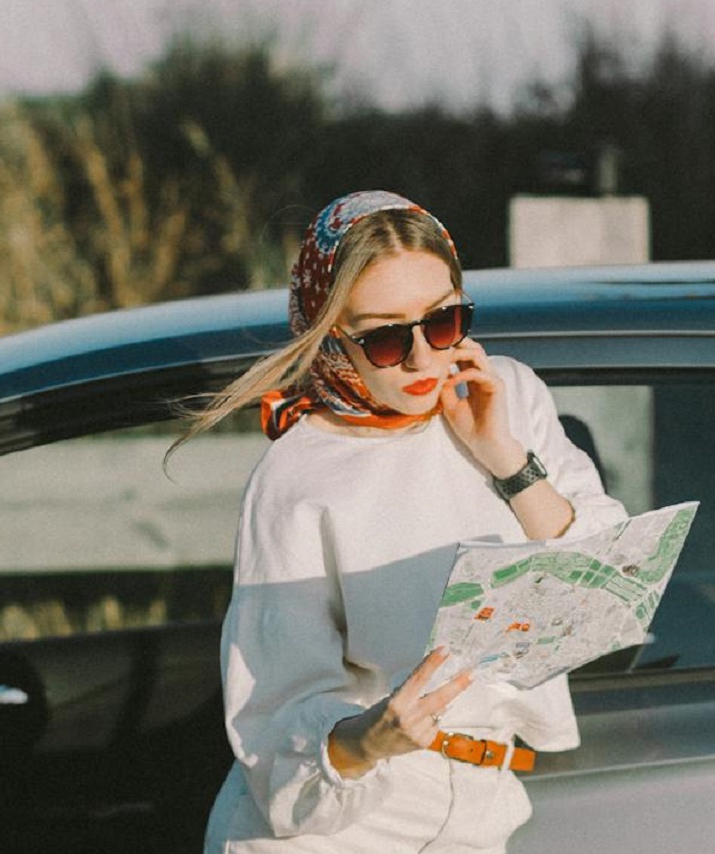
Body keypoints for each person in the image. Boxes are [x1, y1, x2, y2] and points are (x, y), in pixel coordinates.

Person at [185, 190, 627, 852]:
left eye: (445, 321)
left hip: (484, 808)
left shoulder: (508, 394)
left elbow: (610, 582)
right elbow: (272, 715)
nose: (424, 358)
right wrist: (370, 736)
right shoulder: (297, 475)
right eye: (386, 337)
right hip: (346, 828)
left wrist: (503, 456)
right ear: (331, 337)